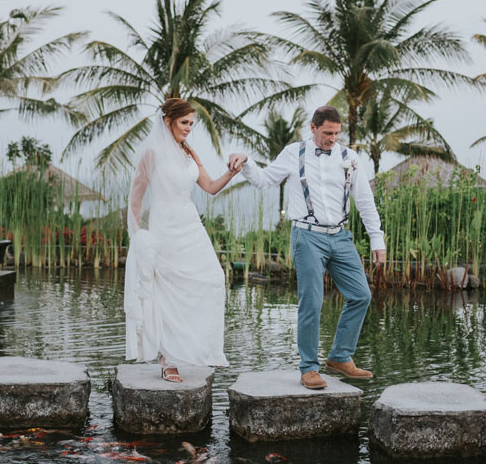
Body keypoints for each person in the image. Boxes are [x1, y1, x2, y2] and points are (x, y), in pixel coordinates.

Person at [228, 106, 386, 389]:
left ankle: (340, 357)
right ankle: (309, 368)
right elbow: (264, 181)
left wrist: (377, 239)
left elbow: (364, 201)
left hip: (340, 235)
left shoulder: (350, 157)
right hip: (307, 235)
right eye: (327, 133)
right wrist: (247, 162)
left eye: (337, 134)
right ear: (313, 128)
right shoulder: (293, 153)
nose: (332, 139)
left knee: (361, 294)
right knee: (311, 301)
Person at [125, 98, 239, 381]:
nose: (189, 128)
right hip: (165, 228)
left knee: (213, 279)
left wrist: (232, 172)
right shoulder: (151, 153)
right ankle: (168, 361)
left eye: (192, 124)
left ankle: (204, 350)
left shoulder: (189, 152)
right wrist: (137, 236)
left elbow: (210, 187)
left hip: (191, 226)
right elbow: (136, 197)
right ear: (168, 121)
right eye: (184, 123)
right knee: (168, 290)